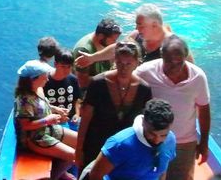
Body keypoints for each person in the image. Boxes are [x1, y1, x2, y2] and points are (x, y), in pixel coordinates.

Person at [135, 35, 210, 180]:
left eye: (179, 62)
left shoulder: (198, 77)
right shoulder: (145, 72)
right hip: (151, 140)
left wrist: (204, 143)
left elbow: (204, 110)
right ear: (161, 55)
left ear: (185, 57)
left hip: (184, 142)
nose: (174, 67)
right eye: (169, 62)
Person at [75, 40, 152, 170]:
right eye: (120, 63)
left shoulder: (144, 89)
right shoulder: (98, 83)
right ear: (115, 61)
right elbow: (86, 118)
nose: (124, 67)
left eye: (128, 63)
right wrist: (79, 149)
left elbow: (145, 124)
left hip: (126, 150)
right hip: (95, 147)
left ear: (137, 63)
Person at [14, 59, 78, 180]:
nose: (47, 80)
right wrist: (48, 120)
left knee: (82, 143)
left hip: (49, 129)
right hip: (36, 138)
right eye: (44, 77)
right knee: (74, 155)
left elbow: (42, 106)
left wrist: (55, 110)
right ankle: (55, 176)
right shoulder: (24, 100)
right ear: (33, 79)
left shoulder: (38, 90)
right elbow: (25, 125)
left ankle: (62, 173)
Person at [75, 5, 191, 70]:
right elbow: (118, 49)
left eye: (141, 25)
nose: (137, 28)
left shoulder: (176, 46)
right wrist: (93, 58)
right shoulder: (136, 36)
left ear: (155, 25)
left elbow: (192, 73)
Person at [85, 98, 176, 180]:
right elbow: (95, 175)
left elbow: (162, 172)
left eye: (163, 135)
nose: (157, 140)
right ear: (143, 122)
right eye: (152, 134)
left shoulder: (170, 140)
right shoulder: (119, 143)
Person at [72, 19, 122, 91]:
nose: (115, 43)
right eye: (113, 40)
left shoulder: (103, 42)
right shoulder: (84, 50)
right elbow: (82, 83)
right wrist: (110, 77)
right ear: (101, 36)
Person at [44, 49, 81, 127]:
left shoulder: (73, 79)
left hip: (70, 119)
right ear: (55, 64)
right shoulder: (45, 81)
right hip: (52, 121)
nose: (66, 70)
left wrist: (77, 114)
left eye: (69, 67)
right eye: (63, 66)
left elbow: (77, 99)